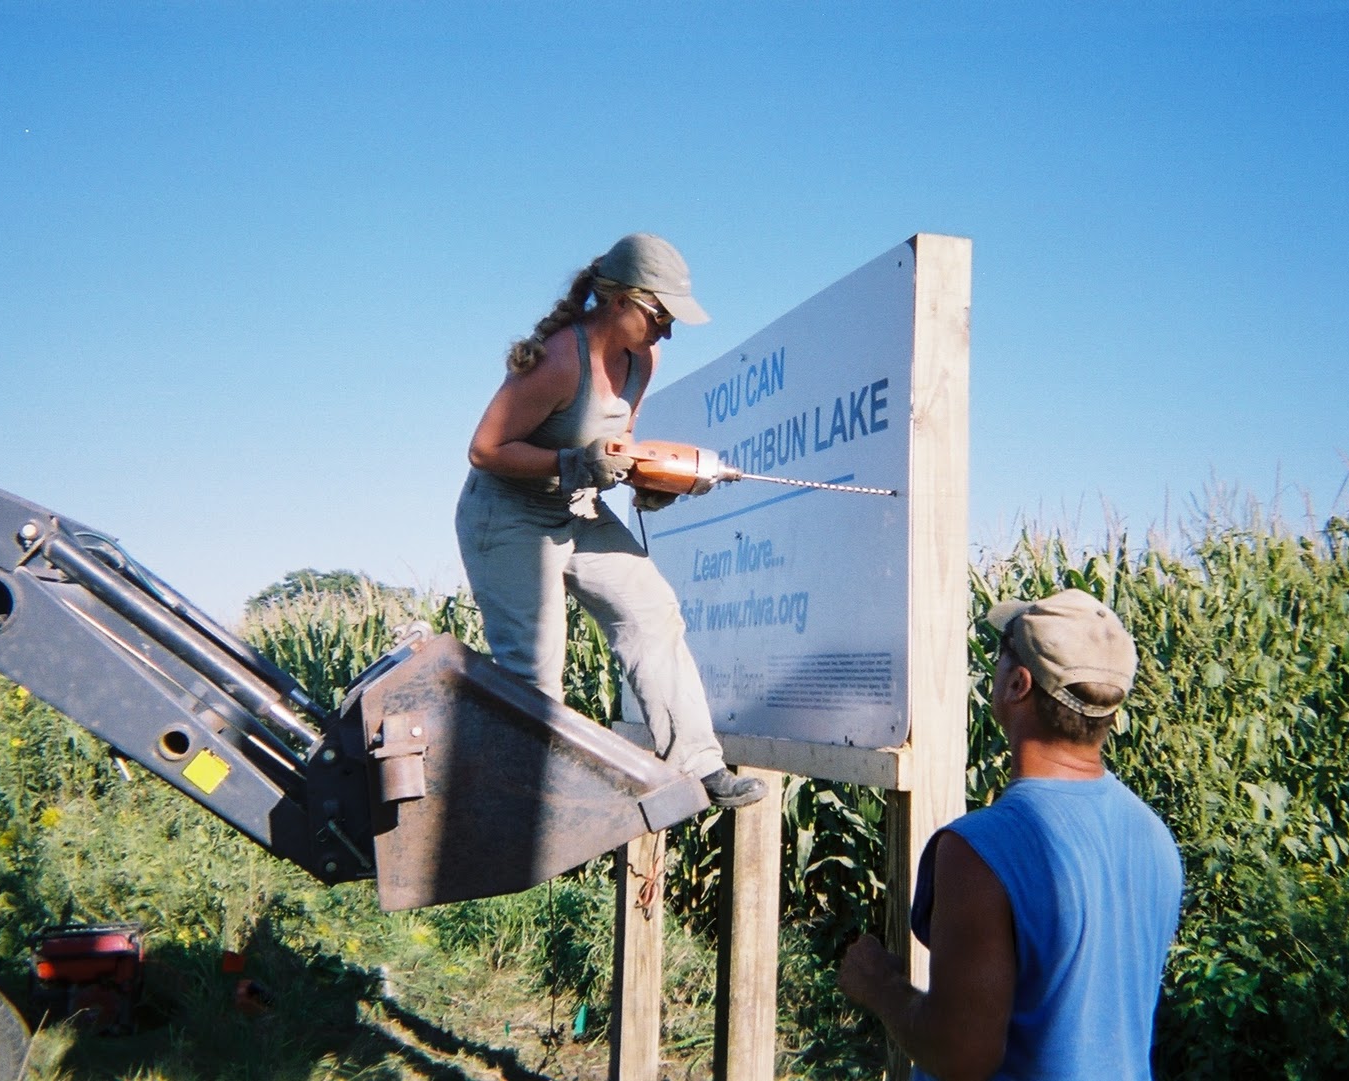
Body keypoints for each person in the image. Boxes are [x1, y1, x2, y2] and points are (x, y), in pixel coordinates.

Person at [455, 233, 766, 809]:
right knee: (535, 662)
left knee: (653, 613)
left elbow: (616, 444)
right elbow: (485, 450)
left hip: (575, 507)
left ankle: (699, 766)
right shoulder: (557, 361)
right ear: (620, 300)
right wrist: (575, 462)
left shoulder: (643, 358)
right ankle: (530, 803)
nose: (667, 330)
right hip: (508, 514)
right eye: (661, 315)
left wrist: (647, 482)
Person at [837, 588, 1183, 1080]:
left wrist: (879, 986)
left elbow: (961, 1056)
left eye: (1000, 655)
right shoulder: (1154, 836)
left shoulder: (981, 851)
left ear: (1019, 684)